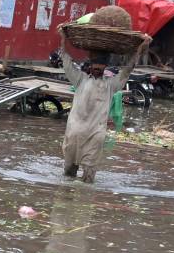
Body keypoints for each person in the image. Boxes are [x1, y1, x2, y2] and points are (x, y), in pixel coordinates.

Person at [60, 36, 149, 183]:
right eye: (95, 67)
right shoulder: (80, 79)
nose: (97, 69)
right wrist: (63, 40)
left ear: (104, 68)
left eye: (100, 67)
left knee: (89, 177)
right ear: (90, 66)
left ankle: (82, 203)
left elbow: (127, 71)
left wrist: (139, 50)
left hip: (95, 134)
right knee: (69, 172)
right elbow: (67, 63)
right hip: (74, 132)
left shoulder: (111, 85)